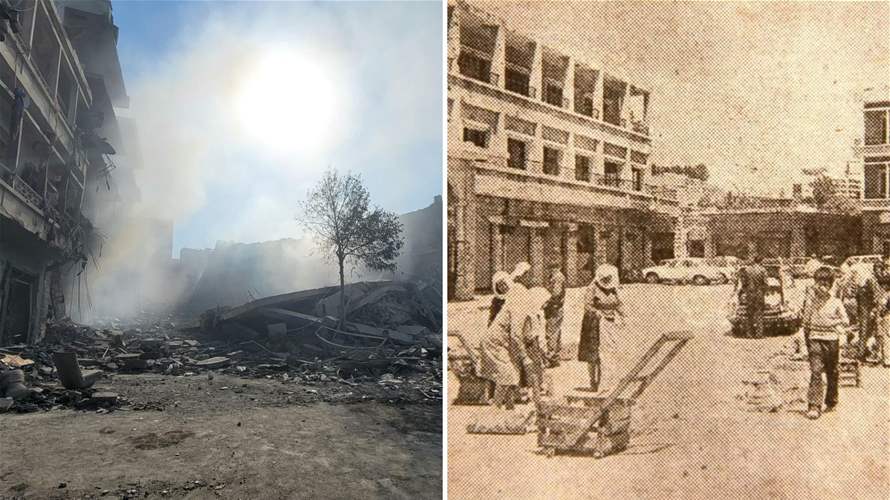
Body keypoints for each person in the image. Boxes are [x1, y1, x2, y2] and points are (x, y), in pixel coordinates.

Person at [478, 277, 549, 409]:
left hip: (502, 343)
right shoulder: (519, 308)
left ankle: (510, 407)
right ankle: (495, 409)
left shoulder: (524, 308)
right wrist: (525, 357)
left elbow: (526, 333)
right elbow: (516, 335)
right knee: (507, 375)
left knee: (512, 374)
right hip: (495, 343)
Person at [801, 266, 850, 420]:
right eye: (819, 282)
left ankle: (831, 399)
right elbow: (805, 323)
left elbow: (846, 321)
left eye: (826, 283)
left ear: (831, 284)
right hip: (815, 339)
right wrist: (807, 343)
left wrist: (831, 323)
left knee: (832, 371)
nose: (822, 286)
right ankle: (814, 405)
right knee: (815, 371)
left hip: (832, 341)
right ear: (815, 283)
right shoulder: (810, 302)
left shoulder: (836, 302)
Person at [578, 264, 625, 392]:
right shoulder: (592, 288)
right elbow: (587, 306)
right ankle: (593, 381)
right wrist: (596, 312)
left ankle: (607, 382)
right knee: (593, 354)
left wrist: (624, 315)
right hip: (593, 323)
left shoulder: (613, 288)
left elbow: (619, 303)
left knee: (609, 353)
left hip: (609, 323)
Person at [542, 263, 566, 367]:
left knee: (551, 332)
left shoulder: (558, 277)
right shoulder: (554, 276)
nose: (551, 269)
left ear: (558, 267)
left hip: (554, 308)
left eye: (553, 267)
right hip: (553, 308)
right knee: (555, 332)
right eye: (550, 267)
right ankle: (555, 357)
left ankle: (551, 357)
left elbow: (556, 294)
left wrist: (545, 302)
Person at [738, 255, 767, 338]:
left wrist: (746, 290)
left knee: (749, 314)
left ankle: (749, 334)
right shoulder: (763, 270)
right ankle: (759, 334)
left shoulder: (747, 269)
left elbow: (743, 283)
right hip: (759, 294)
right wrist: (763, 291)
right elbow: (765, 283)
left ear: (754, 261)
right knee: (759, 314)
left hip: (749, 294)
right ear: (761, 261)